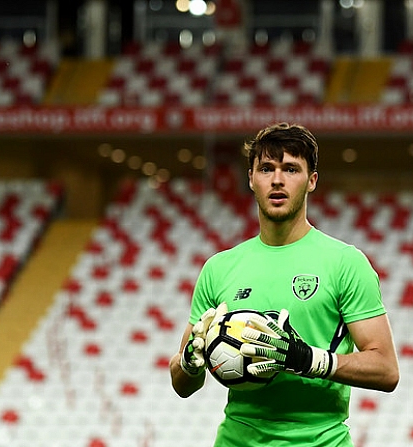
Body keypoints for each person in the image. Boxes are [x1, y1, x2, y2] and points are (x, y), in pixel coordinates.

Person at [169, 122, 399, 446]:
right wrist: (189, 364)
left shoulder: (345, 263)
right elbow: (182, 384)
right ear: (251, 178)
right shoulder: (218, 268)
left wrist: (307, 359)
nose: (277, 180)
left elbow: (386, 370)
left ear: (311, 181)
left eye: (291, 169)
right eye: (266, 168)